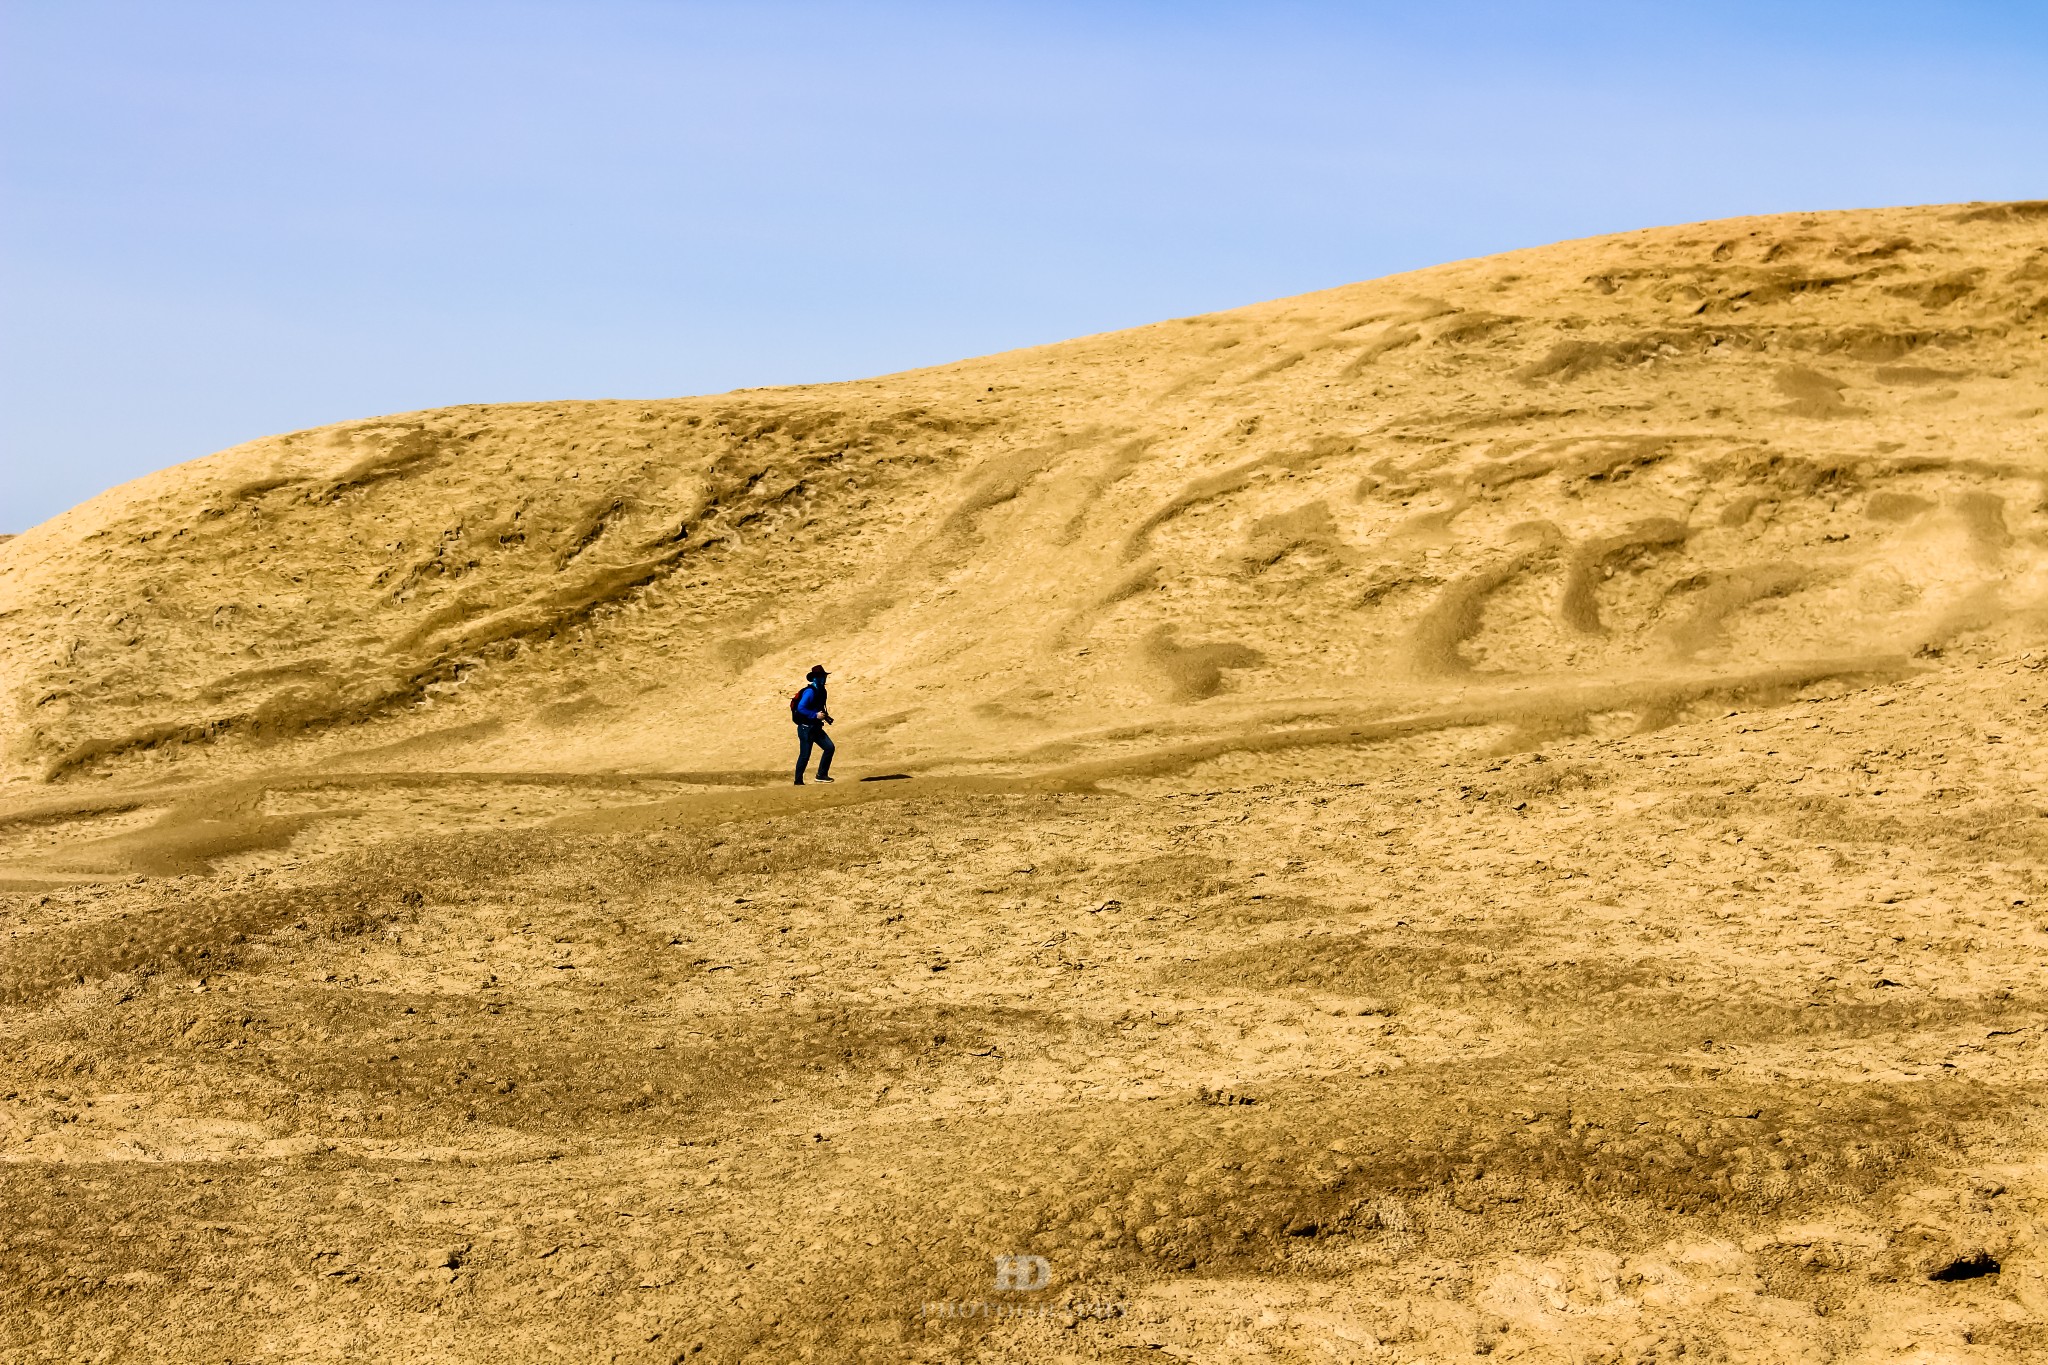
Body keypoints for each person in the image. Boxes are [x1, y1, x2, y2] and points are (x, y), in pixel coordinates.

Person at [792, 665, 835, 785]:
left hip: (815, 727)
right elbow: (801, 707)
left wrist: (823, 716)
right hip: (806, 728)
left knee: (829, 748)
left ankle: (821, 775)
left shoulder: (821, 691)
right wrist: (815, 715)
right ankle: (798, 781)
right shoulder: (810, 692)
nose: (824, 678)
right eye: (822, 676)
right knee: (805, 755)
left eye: (824, 676)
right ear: (816, 678)